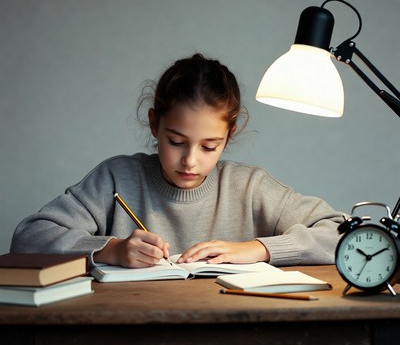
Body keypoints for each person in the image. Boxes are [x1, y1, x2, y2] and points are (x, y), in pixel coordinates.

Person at [10, 54, 343, 268]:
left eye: (210, 146)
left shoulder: (249, 188)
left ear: (231, 134)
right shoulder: (116, 178)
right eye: (176, 142)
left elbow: (343, 234)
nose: (190, 161)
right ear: (154, 124)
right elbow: (27, 239)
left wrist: (258, 248)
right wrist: (109, 249)